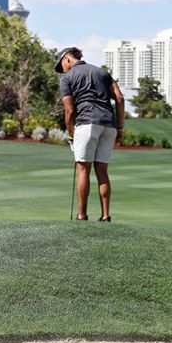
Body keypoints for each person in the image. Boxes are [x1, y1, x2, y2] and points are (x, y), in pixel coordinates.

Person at [55, 47, 125, 222]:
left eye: (61, 65)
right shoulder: (102, 72)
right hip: (109, 124)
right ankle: (105, 216)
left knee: (83, 170)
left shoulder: (68, 78)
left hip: (87, 124)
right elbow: (120, 99)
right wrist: (120, 127)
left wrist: (71, 135)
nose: (62, 69)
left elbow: (70, 111)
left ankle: (82, 216)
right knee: (102, 171)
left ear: (67, 60)